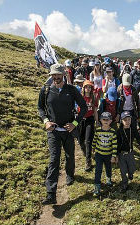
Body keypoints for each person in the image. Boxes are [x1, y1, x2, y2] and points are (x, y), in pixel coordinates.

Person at [38, 63, 88, 204]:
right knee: (54, 159)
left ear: (63, 75)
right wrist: (46, 121)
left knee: (69, 155)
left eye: (58, 75)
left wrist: (75, 124)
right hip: (53, 131)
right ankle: (50, 193)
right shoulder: (46, 89)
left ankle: (70, 174)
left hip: (68, 131)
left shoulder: (71, 90)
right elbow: (40, 108)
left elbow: (84, 107)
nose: (56, 77)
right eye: (53, 75)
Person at [92, 112, 118, 196]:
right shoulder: (98, 130)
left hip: (108, 154)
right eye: (104, 119)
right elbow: (94, 140)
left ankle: (108, 178)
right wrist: (93, 149)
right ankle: (97, 186)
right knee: (98, 170)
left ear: (111, 121)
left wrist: (113, 156)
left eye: (108, 120)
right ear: (100, 120)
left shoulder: (113, 132)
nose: (106, 121)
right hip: (99, 154)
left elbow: (114, 145)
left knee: (108, 168)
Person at [117, 111, 140, 192]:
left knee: (132, 168)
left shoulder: (133, 129)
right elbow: (116, 144)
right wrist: (115, 155)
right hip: (121, 154)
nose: (127, 122)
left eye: (129, 119)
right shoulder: (119, 131)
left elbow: (138, 139)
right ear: (121, 121)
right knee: (123, 170)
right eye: (125, 120)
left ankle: (130, 173)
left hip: (130, 152)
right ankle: (124, 183)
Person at [78, 80, 99, 172]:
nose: (88, 89)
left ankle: (88, 160)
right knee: (80, 139)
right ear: (83, 88)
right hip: (80, 120)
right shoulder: (80, 97)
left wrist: (97, 121)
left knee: (88, 140)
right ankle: (84, 150)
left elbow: (95, 110)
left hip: (90, 120)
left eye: (90, 87)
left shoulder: (93, 97)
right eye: (86, 87)